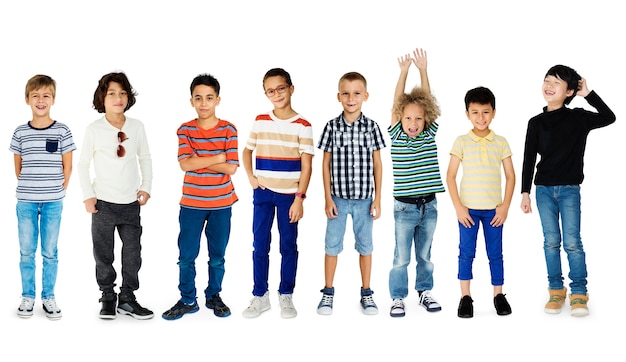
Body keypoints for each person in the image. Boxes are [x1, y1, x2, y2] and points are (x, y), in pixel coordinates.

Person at [520, 65, 615, 317]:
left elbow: (609, 116)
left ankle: (579, 292)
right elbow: (528, 157)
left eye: (557, 83)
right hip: (542, 191)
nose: (549, 85)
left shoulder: (579, 118)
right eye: (547, 80)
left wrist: (588, 93)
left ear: (570, 90)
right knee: (550, 242)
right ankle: (555, 290)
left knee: (572, 242)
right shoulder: (535, 123)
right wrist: (525, 192)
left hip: (569, 190)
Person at [162, 73, 239, 320]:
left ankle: (213, 296)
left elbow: (232, 167)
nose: (203, 103)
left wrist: (200, 161)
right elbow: (185, 165)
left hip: (221, 204)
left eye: (209, 98)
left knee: (217, 256)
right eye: (198, 98)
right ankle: (187, 299)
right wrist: (218, 156)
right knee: (186, 256)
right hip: (192, 204)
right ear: (191, 101)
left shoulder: (229, 129)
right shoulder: (185, 130)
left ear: (218, 99)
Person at [78, 72, 154, 320]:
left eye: (122, 93)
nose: (118, 98)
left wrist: (146, 186)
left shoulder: (137, 126)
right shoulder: (94, 129)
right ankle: (108, 296)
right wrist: (88, 195)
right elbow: (82, 164)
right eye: (111, 93)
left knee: (133, 252)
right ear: (102, 97)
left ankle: (128, 298)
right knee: (104, 253)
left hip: (130, 203)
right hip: (103, 203)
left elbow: (145, 157)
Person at [241, 68, 314, 319]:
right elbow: (247, 151)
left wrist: (299, 199)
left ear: (291, 88)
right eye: (270, 91)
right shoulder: (261, 120)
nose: (276, 94)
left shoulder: (303, 125)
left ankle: (286, 295)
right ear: (266, 94)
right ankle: (260, 295)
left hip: (289, 196)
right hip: (263, 193)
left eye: (281, 88)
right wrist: (251, 177)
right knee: (259, 244)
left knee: (288, 246)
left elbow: (307, 166)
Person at [316, 71, 386, 316]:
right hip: (337, 198)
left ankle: (366, 293)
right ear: (338, 96)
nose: (351, 98)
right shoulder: (331, 127)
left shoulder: (372, 127)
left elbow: (378, 164)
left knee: (365, 246)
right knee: (332, 245)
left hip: (365, 200)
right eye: (345, 93)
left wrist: (378, 198)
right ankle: (327, 292)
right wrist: (327, 197)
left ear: (365, 96)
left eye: (356, 93)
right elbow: (324, 164)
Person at [10, 74, 76, 320]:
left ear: (53, 99)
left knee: (50, 251)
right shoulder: (19, 132)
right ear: (27, 99)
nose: (41, 100)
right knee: (27, 251)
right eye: (35, 95)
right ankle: (28, 296)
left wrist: (58, 189)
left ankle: (48, 296)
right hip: (26, 201)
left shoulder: (62, 130)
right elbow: (18, 167)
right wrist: (31, 187)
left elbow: (66, 166)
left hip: (53, 202)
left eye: (46, 95)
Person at [446, 86, 515, 318]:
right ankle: (465, 297)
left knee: (495, 254)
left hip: (494, 211)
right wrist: (458, 207)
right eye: (475, 112)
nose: (480, 118)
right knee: (466, 253)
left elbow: (511, 176)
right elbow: (451, 176)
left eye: (485, 112)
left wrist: (505, 205)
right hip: (468, 211)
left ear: (493, 112)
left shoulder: (501, 142)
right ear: (467, 114)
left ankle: (499, 295)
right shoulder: (462, 142)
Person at [387, 48, 444, 318]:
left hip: (429, 206)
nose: (413, 122)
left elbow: (428, 101)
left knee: (425, 255)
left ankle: (424, 291)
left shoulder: (429, 134)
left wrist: (423, 70)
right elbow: (398, 103)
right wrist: (404, 71)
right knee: (401, 257)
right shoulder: (397, 136)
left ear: (425, 119)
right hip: (404, 208)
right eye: (408, 118)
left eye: (418, 118)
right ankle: (398, 297)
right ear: (401, 118)